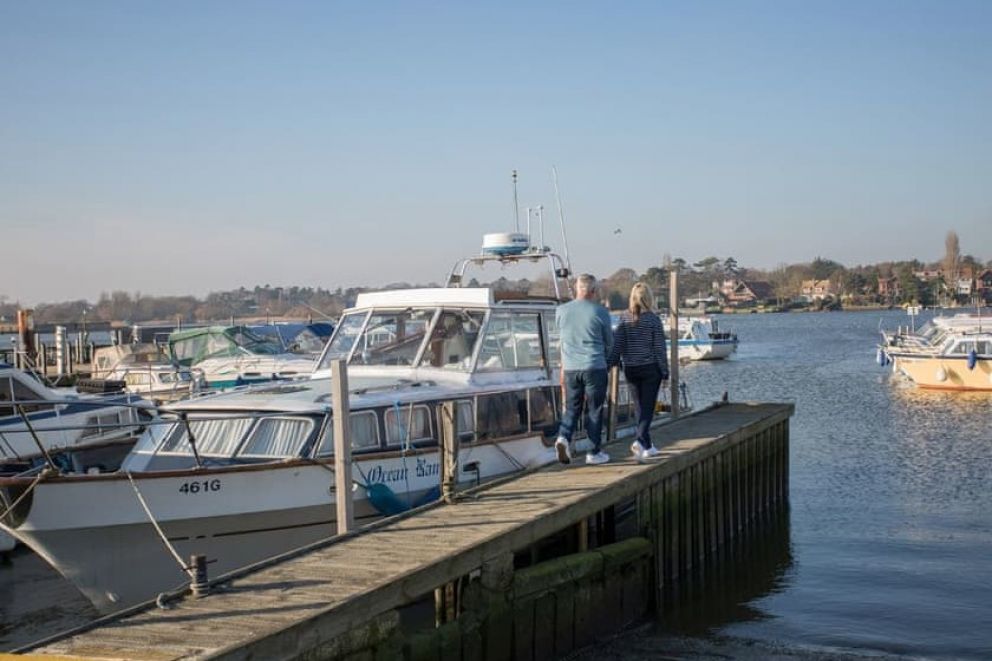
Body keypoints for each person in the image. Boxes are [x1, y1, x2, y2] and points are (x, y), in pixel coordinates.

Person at [554, 273, 614, 466]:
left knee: (572, 408)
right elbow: (609, 343)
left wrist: (563, 368)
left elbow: (562, 340)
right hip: (594, 366)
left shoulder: (561, 311)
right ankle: (594, 452)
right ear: (593, 291)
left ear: (576, 289)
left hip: (570, 367)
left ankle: (563, 437)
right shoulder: (601, 312)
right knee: (594, 410)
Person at [607, 282, 669, 460]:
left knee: (639, 407)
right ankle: (639, 441)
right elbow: (659, 348)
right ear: (649, 298)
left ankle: (648, 446)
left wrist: (612, 362)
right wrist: (665, 372)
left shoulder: (624, 318)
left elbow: (618, 344)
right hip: (650, 368)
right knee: (648, 408)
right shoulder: (652, 319)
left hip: (631, 369)